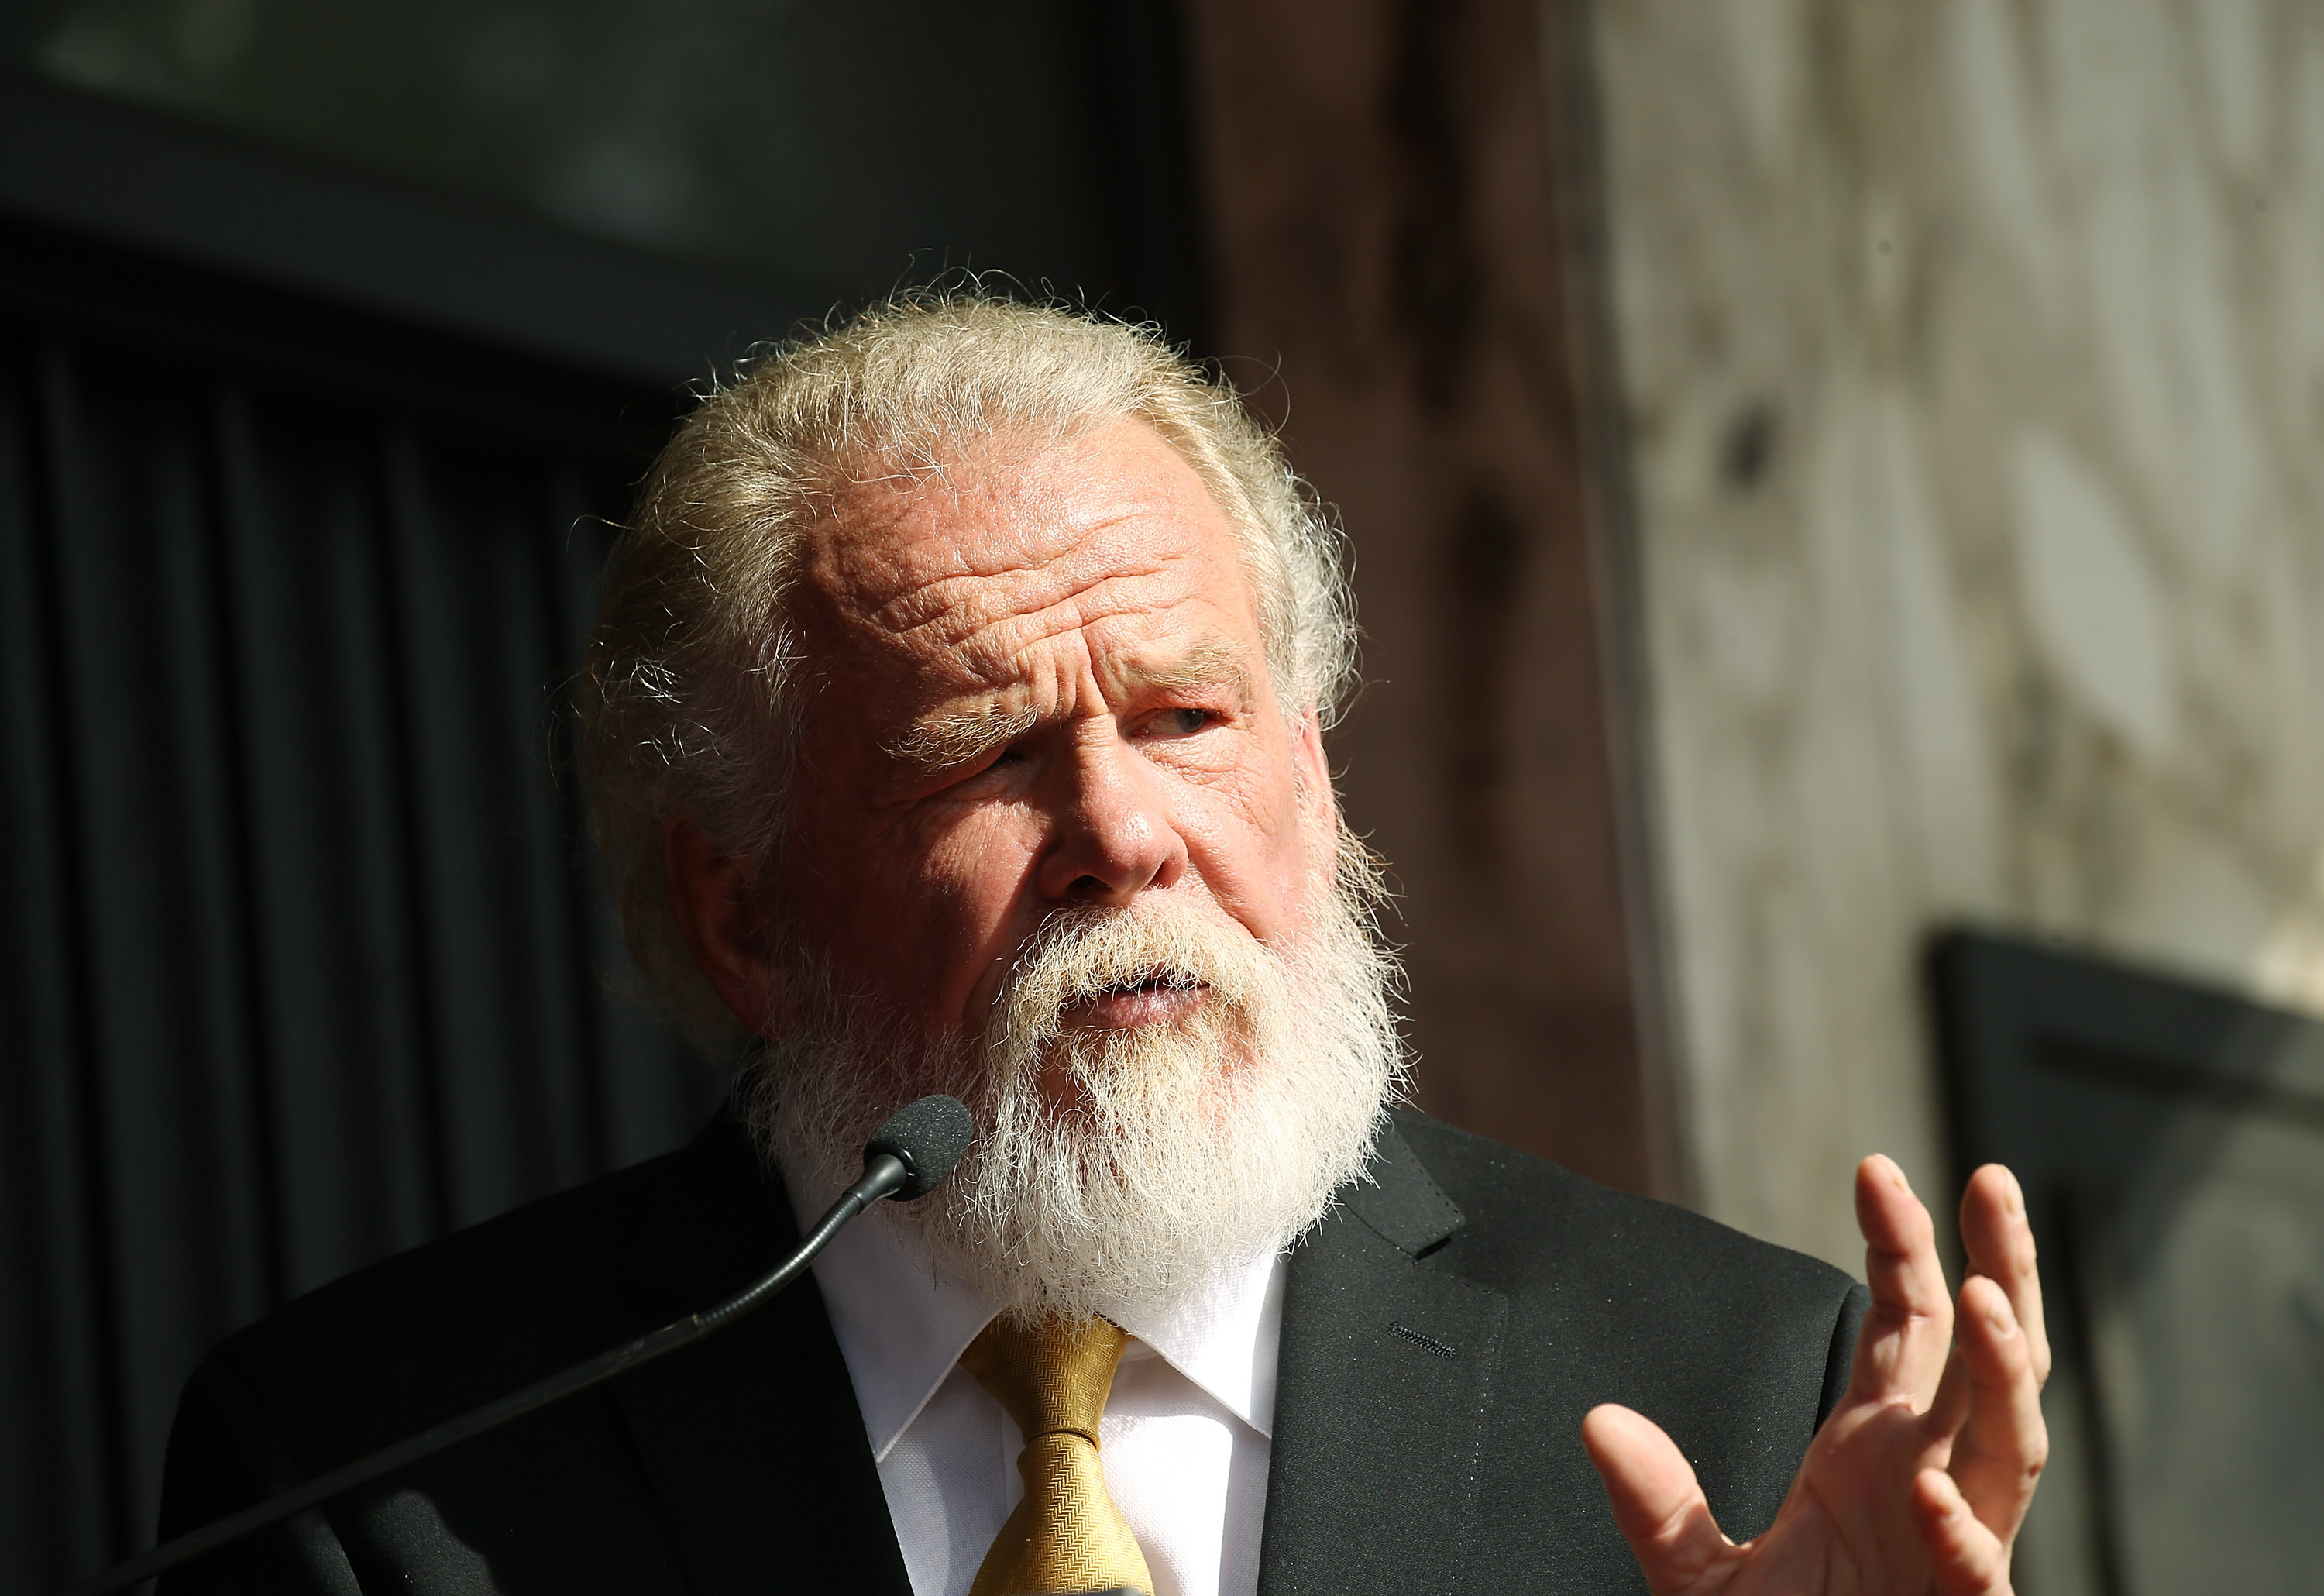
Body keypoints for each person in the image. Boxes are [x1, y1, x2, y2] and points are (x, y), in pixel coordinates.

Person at [156, 295, 2047, 1596]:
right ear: (742, 908)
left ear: (1313, 772)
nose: (1125, 834)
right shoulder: (379, 1476)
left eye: (1187, 718)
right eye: (981, 756)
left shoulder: (1734, 1382)